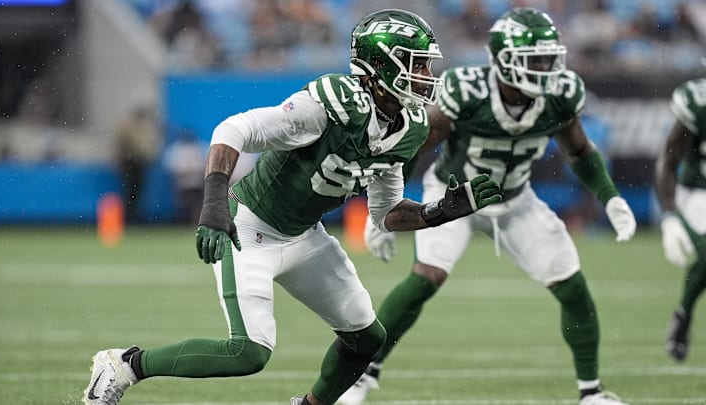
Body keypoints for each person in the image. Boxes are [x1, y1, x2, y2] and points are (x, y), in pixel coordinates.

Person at [82, 9, 502, 405]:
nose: (425, 76)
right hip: (249, 228)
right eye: (416, 63)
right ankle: (123, 366)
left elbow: (386, 211)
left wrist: (439, 212)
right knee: (247, 353)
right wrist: (213, 202)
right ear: (380, 66)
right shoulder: (333, 103)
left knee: (368, 338)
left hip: (304, 235)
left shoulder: (410, 128)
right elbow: (235, 128)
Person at [339, 7, 637, 405]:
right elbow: (414, 146)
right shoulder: (467, 92)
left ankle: (591, 393)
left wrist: (610, 197)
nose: (547, 70)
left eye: (550, 60)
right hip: (451, 198)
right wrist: (387, 207)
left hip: (514, 200)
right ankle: (362, 377)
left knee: (573, 285)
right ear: (504, 60)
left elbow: (580, 151)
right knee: (425, 277)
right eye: (536, 61)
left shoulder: (560, 95)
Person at [654, 64, 706, 362]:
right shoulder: (698, 104)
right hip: (698, 192)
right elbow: (667, 162)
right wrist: (669, 217)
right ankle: (684, 315)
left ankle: (683, 314)